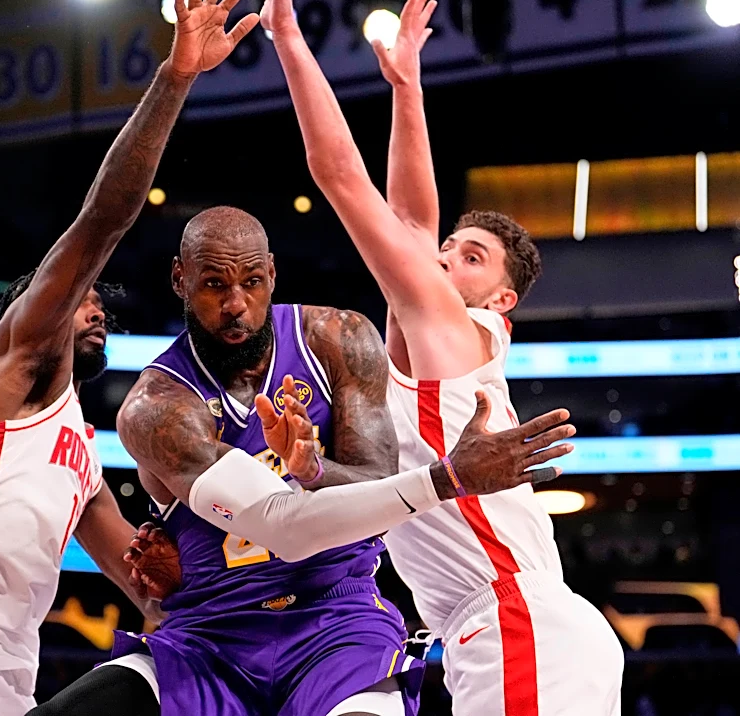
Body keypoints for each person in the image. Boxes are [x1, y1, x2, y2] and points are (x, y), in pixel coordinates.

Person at [262, 0, 624, 714]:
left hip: (515, 618)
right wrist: (406, 89)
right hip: (496, 625)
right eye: (449, 251)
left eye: (472, 258)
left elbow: (343, 182)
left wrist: (289, 37)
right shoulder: (436, 347)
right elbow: (410, 218)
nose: (445, 261)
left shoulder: (460, 341)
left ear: (499, 302)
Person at [29, 203, 574, 716]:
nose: (235, 303)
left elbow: (377, 487)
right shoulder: (155, 406)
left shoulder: (336, 337)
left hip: (336, 622)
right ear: (180, 281)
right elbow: (283, 527)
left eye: (251, 282)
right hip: (211, 635)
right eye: (214, 284)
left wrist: (313, 470)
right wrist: (448, 477)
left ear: (272, 273)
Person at [0, 0, 259, 715]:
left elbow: (146, 585)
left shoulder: (78, 456)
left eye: (100, 302)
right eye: (81, 299)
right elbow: (102, 221)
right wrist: (175, 81)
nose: (97, 309)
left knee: (161, 682)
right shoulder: (11, 378)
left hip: (3, 683)